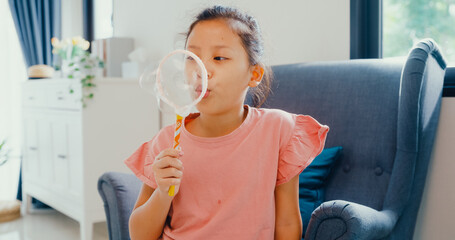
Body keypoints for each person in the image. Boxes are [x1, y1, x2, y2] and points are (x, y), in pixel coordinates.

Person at [125, 5, 329, 240]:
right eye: (193, 58)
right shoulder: (167, 141)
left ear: (254, 74)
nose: (202, 71)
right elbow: (139, 235)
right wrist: (163, 192)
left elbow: (287, 222)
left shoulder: (278, 130)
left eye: (219, 58)